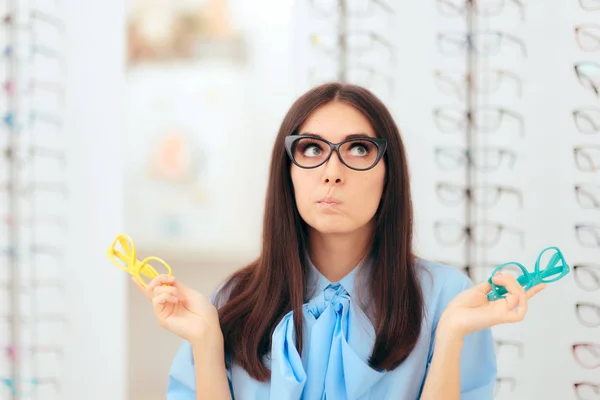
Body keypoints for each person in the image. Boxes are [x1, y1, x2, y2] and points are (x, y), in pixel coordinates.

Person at [134, 83, 546, 400]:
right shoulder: (236, 299)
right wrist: (206, 342)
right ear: (288, 172)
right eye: (312, 148)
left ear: (390, 173)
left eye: (359, 149)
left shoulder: (446, 298)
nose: (332, 171)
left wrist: (452, 334)